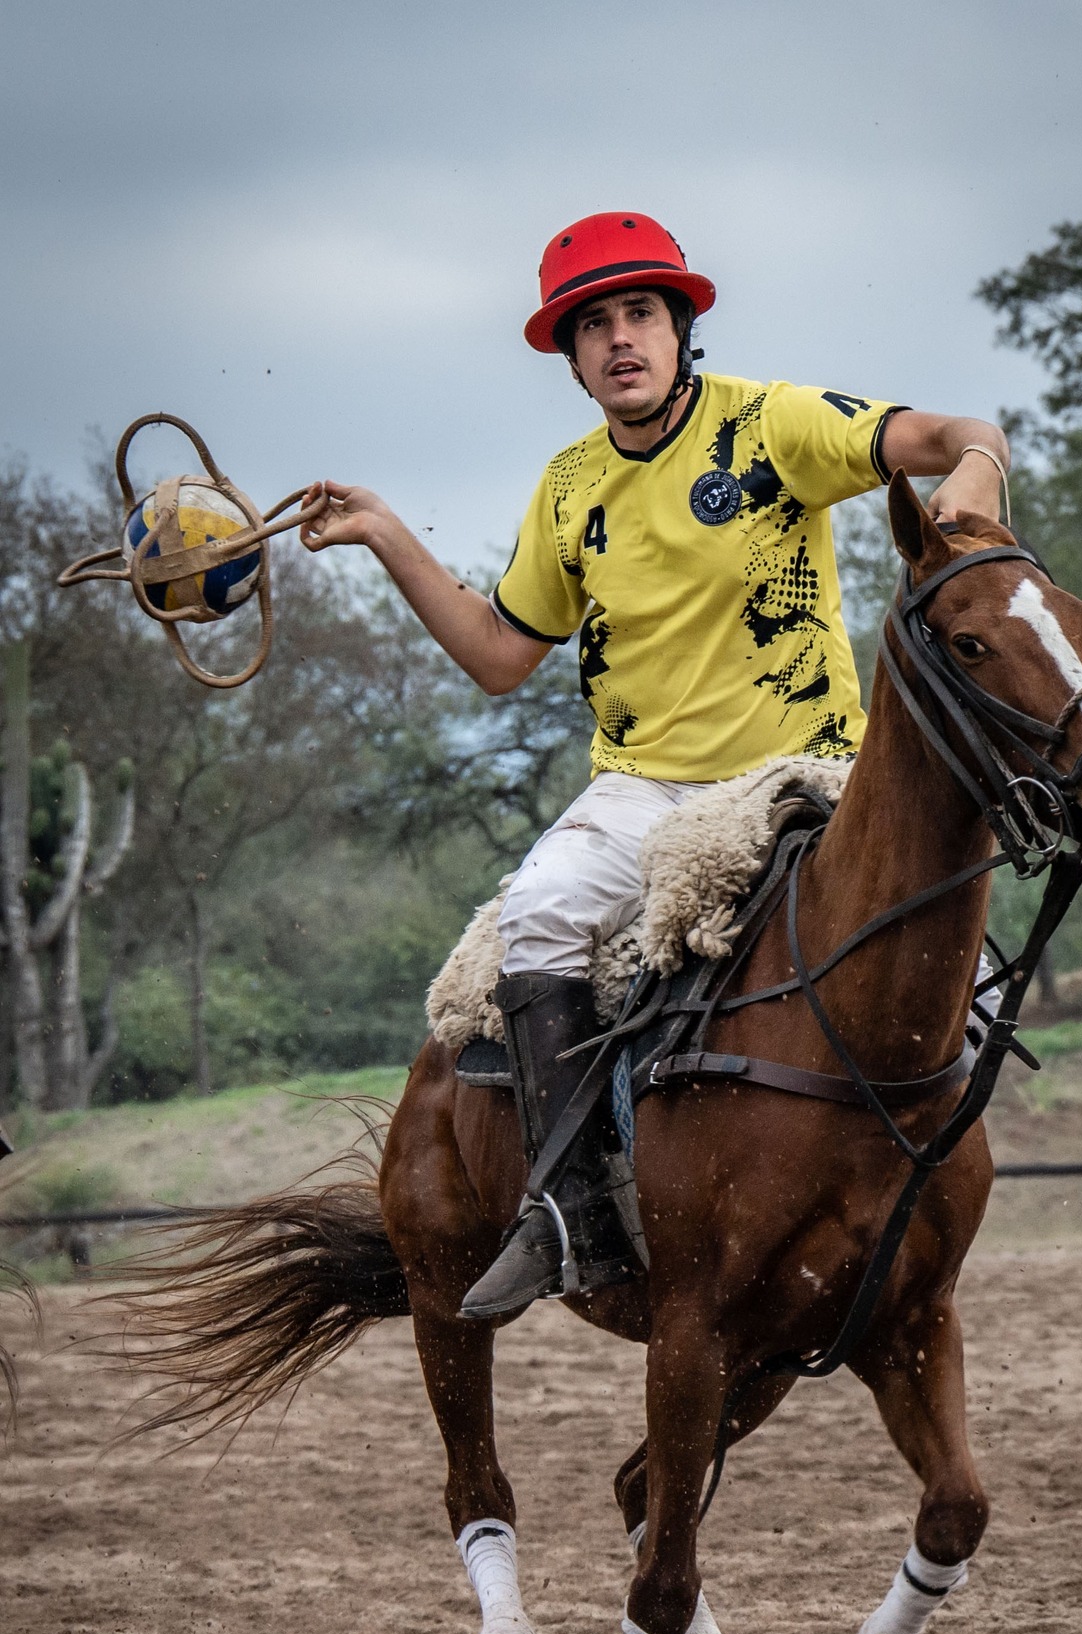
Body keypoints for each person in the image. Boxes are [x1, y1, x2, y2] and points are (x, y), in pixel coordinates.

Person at [300, 211, 1011, 1319]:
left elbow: (964, 431)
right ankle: (570, 1209)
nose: (619, 338)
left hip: (807, 768)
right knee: (535, 912)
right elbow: (498, 657)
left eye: (639, 312)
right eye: (592, 324)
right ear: (571, 356)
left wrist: (977, 468)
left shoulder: (773, 425)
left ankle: (927, 1170)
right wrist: (387, 530)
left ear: (680, 326)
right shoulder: (569, 484)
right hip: (646, 788)